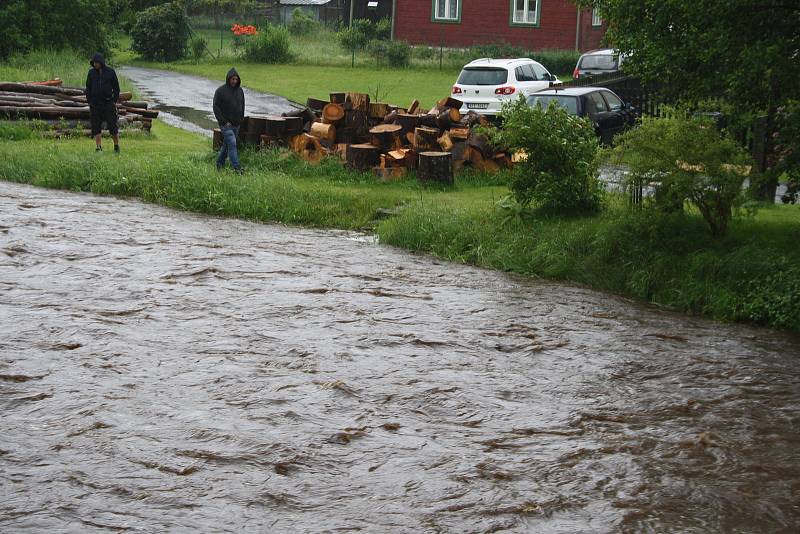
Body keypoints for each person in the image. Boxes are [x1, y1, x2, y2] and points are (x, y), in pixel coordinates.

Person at [85, 52, 121, 153]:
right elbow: (88, 88)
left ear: (101, 62)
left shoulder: (110, 72)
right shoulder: (91, 73)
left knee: (112, 125)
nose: (95, 64)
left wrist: (114, 100)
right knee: (96, 126)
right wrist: (89, 101)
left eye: (97, 62)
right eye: (94, 62)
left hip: (108, 103)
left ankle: (116, 146)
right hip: (95, 104)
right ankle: (98, 147)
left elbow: (116, 88)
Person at [213, 68, 245, 173]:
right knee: (232, 143)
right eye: (232, 79)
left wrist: (241, 119)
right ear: (228, 79)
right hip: (225, 124)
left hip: (236, 124)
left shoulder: (240, 91)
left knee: (227, 146)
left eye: (236, 79)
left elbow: (242, 105)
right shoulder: (220, 91)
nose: (234, 81)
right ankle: (237, 168)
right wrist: (223, 121)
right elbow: (216, 107)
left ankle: (219, 165)